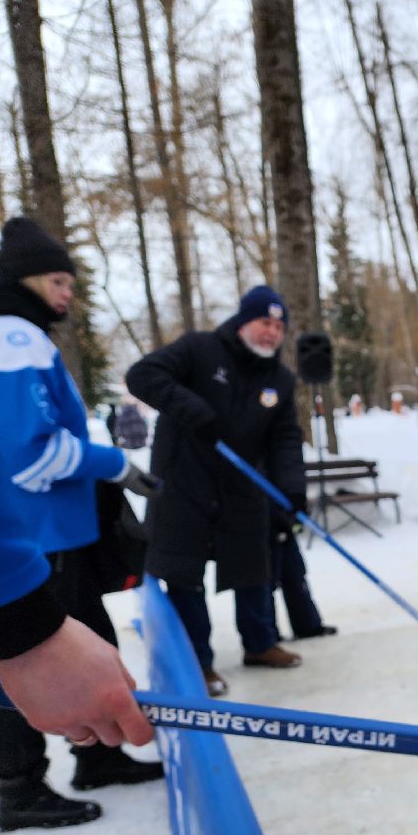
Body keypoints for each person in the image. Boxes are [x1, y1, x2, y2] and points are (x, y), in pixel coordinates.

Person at [0, 218, 165, 830]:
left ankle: (98, 755)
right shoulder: (14, 338)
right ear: (24, 281)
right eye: (57, 279)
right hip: (38, 533)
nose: (67, 293)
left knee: (85, 644)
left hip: (46, 531)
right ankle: (18, 785)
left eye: (71, 280)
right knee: (40, 657)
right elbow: (31, 453)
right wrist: (115, 463)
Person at [126, 285, 307, 697]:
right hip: (184, 483)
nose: (272, 332)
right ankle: (198, 663)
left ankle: (260, 644)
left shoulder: (279, 379)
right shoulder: (200, 349)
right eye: (265, 321)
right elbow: (142, 376)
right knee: (185, 575)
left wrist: (292, 489)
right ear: (244, 321)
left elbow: (285, 439)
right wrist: (191, 409)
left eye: (279, 326)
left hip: (241, 488)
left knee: (253, 568)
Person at [268, 496, 337, 642]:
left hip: (288, 510)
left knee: (294, 573)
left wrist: (295, 516)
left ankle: (307, 625)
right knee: (265, 580)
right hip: (263, 514)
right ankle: (266, 637)